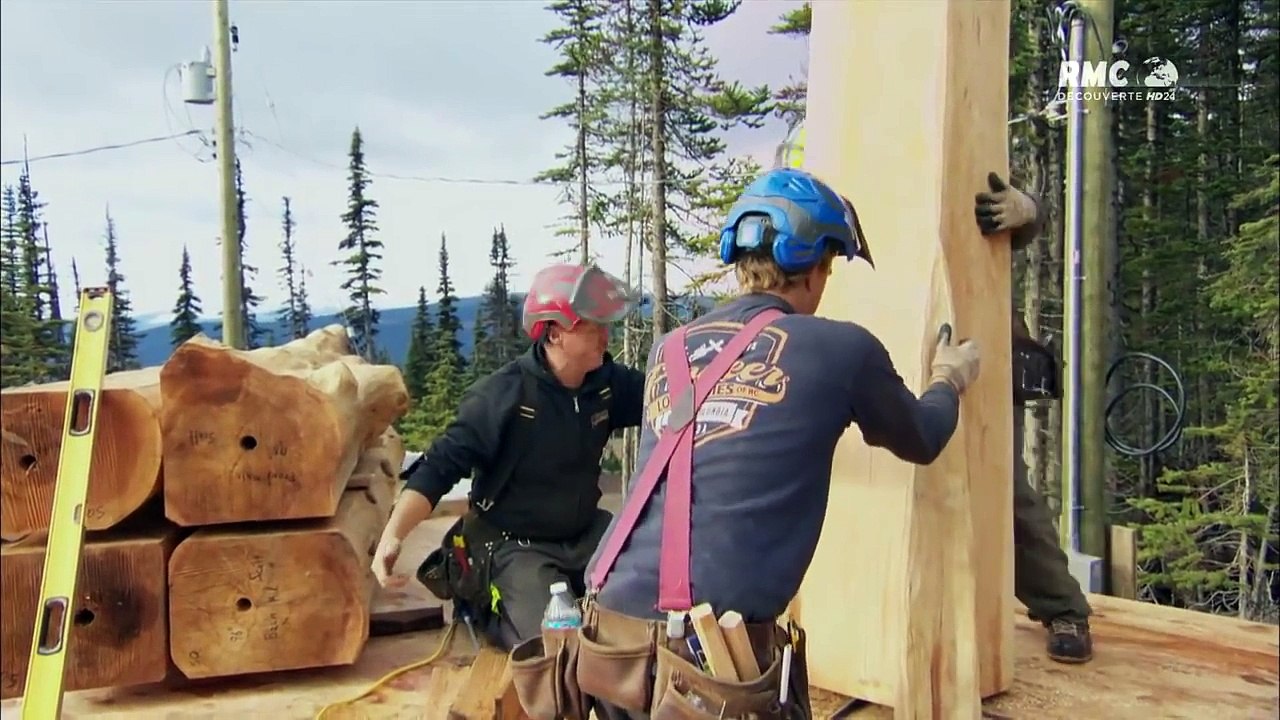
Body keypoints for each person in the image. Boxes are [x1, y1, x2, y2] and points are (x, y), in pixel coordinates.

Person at [508, 167, 983, 720]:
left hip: (608, 628)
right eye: (828, 267)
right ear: (815, 268)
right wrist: (950, 378)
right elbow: (924, 437)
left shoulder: (672, 349)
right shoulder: (840, 350)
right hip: (706, 656)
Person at [371, 263, 647, 651]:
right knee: (553, 647)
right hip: (516, 544)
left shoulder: (606, 384)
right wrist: (392, 536)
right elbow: (439, 467)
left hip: (586, 534)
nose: (606, 335)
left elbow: (666, 392)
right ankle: (486, 604)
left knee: (645, 601)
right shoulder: (502, 397)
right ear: (554, 332)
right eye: (592, 326)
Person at [975, 172, 1094, 663]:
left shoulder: (954, 124)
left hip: (982, 340)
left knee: (1005, 490)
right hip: (873, 341)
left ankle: (1062, 607)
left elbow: (1015, 207)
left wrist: (1027, 208)